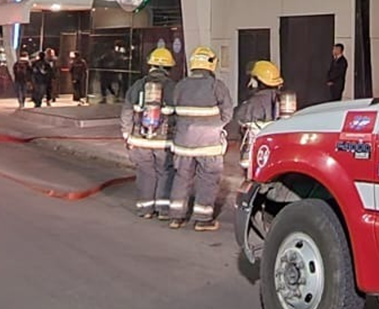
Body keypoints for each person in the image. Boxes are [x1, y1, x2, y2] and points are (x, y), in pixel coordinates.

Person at [166, 46, 234, 231]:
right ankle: (202, 220)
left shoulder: (180, 85)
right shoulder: (216, 86)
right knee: (208, 179)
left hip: (183, 143)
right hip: (208, 144)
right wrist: (216, 125)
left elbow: (173, 111)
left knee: (181, 178)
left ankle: (176, 217)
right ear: (211, 64)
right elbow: (228, 113)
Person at [120, 48, 178, 219]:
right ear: (168, 68)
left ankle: (145, 209)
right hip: (164, 142)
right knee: (165, 172)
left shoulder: (137, 86)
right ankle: (163, 210)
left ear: (150, 65)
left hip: (140, 140)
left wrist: (127, 135)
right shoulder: (173, 88)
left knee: (145, 172)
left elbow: (126, 112)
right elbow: (179, 116)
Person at [234, 60, 285, 178]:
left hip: (255, 155)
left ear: (257, 81)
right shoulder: (281, 98)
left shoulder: (254, 102)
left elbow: (240, 118)